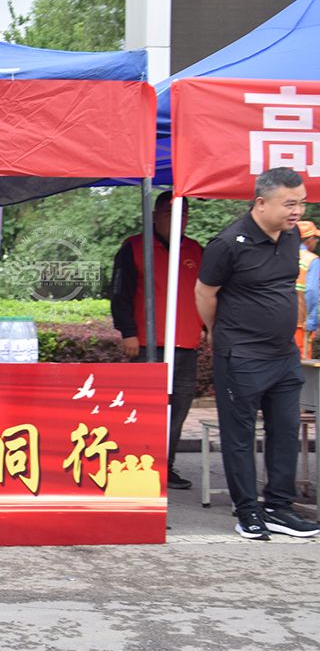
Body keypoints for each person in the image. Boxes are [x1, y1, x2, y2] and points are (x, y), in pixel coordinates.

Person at [195, 167, 320, 539]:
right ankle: (247, 511)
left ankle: (279, 507)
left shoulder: (291, 235)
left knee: (285, 431)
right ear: (261, 203)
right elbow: (205, 294)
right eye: (289, 203)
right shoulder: (228, 243)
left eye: (301, 202)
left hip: (284, 355)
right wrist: (220, 333)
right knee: (240, 435)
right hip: (242, 355)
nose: (297, 211)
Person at [110, 191, 202, 491]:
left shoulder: (195, 250)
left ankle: (167, 466)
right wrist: (128, 332)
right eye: (169, 213)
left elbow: (207, 292)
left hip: (186, 344)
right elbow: (120, 292)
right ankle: (136, 464)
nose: (178, 219)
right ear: (153, 216)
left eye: (184, 213)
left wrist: (206, 327)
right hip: (148, 344)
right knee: (145, 409)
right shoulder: (135, 248)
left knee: (178, 409)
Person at [295, 220, 319, 359]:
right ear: (310, 240)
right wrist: (312, 321)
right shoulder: (311, 260)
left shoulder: (280, 254)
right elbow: (311, 291)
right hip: (300, 322)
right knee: (301, 363)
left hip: (277, 319)